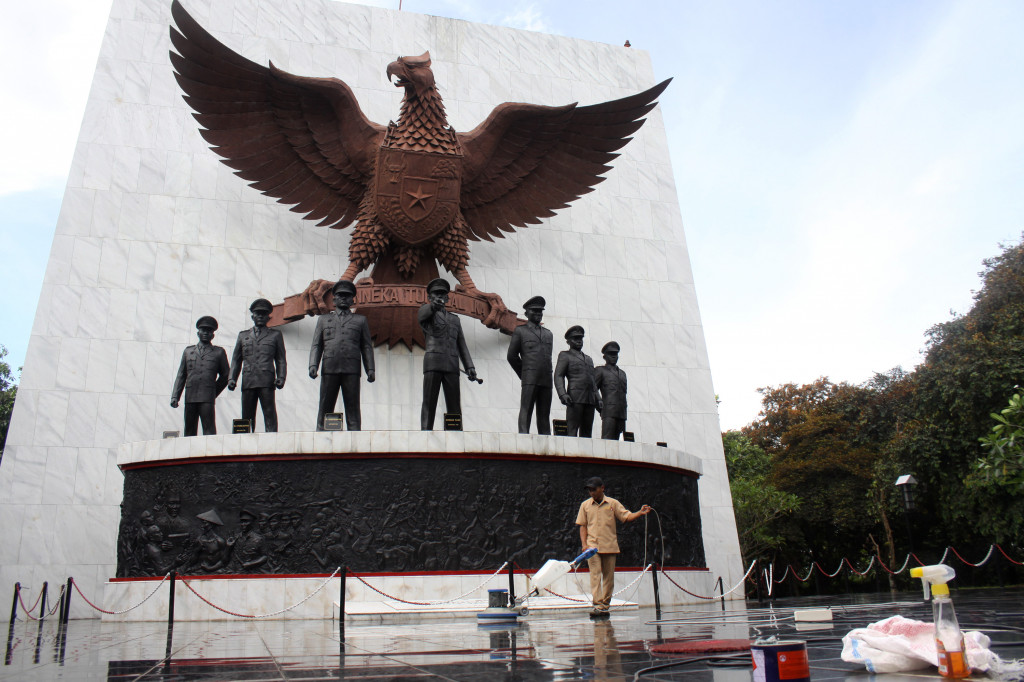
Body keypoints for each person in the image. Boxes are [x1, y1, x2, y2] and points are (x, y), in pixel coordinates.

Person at [575, 476, 651, 617]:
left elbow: (626, 517)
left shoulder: (613, 503)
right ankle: (597, 605)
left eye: (594, 489)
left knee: (608, 577)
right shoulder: (585, 505)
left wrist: (640, 513)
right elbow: (582, 526)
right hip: (592, 547)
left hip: (609, 546)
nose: (591, 492)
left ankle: (605, 604)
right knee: (595, 575)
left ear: (602, 488)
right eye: (589, 490)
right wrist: (584, 545)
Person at [309, 280, 376, 430]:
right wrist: (313, 365)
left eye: (347, 296)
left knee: (352, 406)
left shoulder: (360, 320)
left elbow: (366, 346)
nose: (344, 298)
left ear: (353, 300)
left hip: (351, 369)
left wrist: (370, 369)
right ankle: (321, 434)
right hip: (329, 367)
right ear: (334, 299)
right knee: (325, 404)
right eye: (340, 295)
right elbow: (317, 345)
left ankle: (355, 436)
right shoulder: (324, 320)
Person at [419, 278, 477, 429]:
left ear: (447, 297)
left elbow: (462, 344)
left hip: (452, 365)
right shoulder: (426, 312)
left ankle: (455, 435)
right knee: (429, 402)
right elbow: (422, 314)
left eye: (442, 294)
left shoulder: (454, 319)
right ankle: (425, 433)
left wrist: (470, 366)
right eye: (436, 294)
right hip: (433, 363)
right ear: (429, 297)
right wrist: (432, 307)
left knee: (454, 405)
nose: (439, 297)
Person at [227, 298, 287, 432]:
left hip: (266, 380)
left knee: (269, 412)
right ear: (252, 316)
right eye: (257, 313)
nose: (260, 316)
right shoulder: (243, 336)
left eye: (263, 314)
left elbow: (281, 359)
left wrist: (281, 377)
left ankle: (272, 439)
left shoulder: (275, 335)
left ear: (268, 317)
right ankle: (245, 443)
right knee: (247, 416)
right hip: (248, 380)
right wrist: (232, 379)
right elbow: (236, 359)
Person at [171, 316, 230, 436]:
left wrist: (213, 391)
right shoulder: (188, 351)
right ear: (198, 332)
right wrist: (175, 396)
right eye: (203, 330)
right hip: (191, 396)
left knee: (209, 429)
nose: (206, 333)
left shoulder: (218, 352)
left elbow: (226, 375)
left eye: (209, 331)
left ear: (213, 335)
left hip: (207, 397)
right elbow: (181, 375)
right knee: (189, 430)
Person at [506, 296, 554, 434]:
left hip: (546, 378)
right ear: (526, 313)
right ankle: (523, 437)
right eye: (534, 311)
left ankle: (546, 439)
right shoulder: (520, 331)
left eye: (540, 311)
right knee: (526, 409)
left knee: (544, 414)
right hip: (529, 377)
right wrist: (524, 373)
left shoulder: (548, 334)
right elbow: (511, 356)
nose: (538, 313)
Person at [554, 326, 601, 437]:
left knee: (587, 431)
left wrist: (598, 398)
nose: (579, 341)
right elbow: (558, 375)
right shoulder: (565, 355)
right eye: (575, 338)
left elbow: (593, 381)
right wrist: (562, 394)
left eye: (580, 338)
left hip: (590, 399)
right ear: (568, 341)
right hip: (575, 397)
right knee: (572, 429)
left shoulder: (589, 359)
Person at [594, 341, 627, 440]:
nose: (613, 356)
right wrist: (598, 401)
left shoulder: (622, 374)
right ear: (604, 357)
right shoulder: (600, 370)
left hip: (621, 412)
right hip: (608, 410)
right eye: (610, 354)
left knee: (620, 440)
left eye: (615, 354)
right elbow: (593, 387)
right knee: (607, 439)